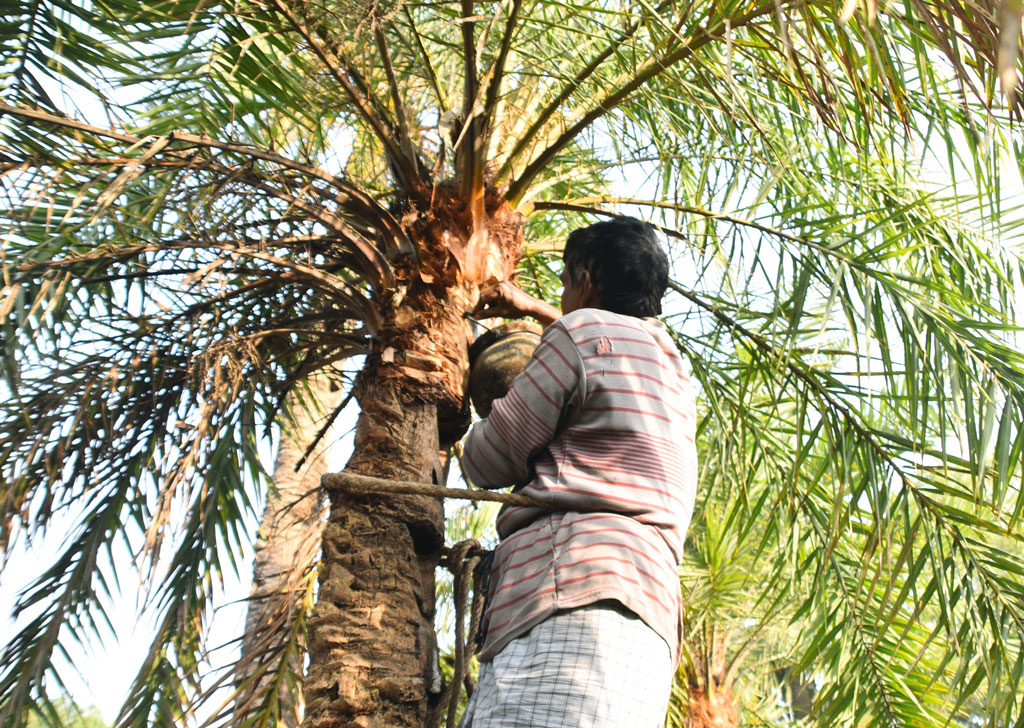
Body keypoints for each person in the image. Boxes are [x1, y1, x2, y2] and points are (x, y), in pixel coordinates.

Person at [459, 216, 699, 727]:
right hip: (646, 626)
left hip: (570, 598)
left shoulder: (579, 331)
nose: (563, 299)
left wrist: (475, 414)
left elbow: (486, 462)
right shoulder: (675, 369)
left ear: (586, 281)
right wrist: (535, 312)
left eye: (567, 283)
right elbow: (606, 344)